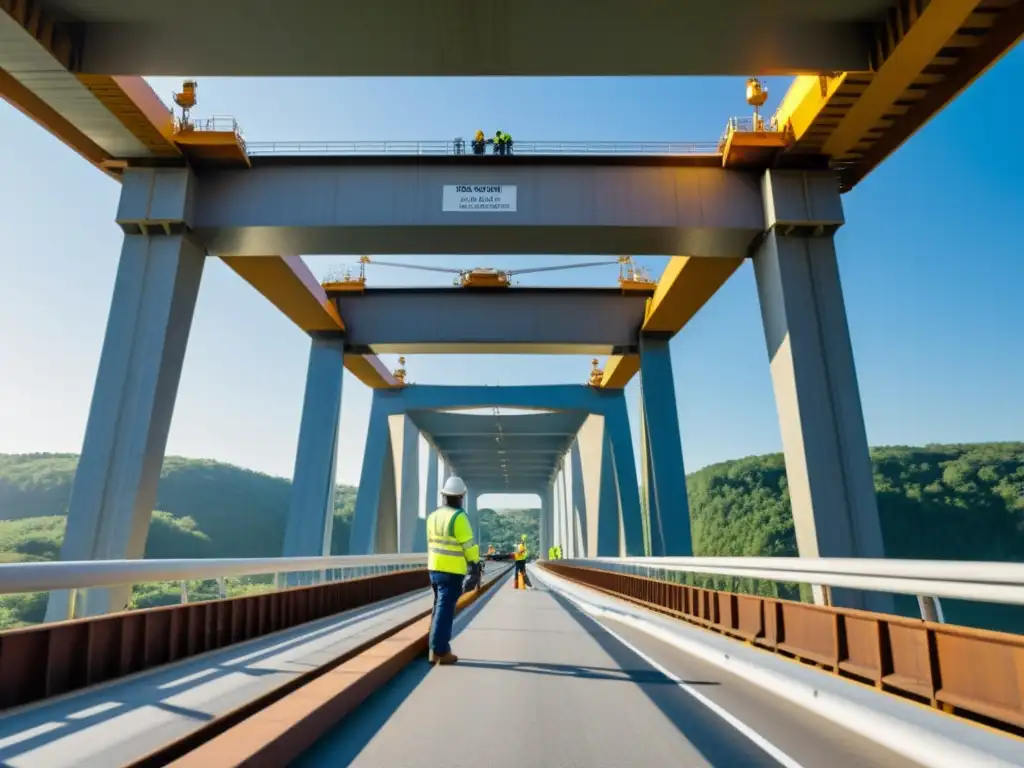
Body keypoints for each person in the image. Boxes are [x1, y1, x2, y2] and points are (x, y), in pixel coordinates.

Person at [426, 475, 481, 665]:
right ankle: (441, 651)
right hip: (452, 571)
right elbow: (468, 545)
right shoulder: (459, 517)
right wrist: (475, 564)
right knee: (445, 610)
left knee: (438, 607)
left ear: (444, 495)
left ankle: (433, 651)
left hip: (434, 568)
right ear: (461, 496)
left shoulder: (433, 516)